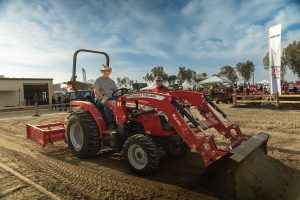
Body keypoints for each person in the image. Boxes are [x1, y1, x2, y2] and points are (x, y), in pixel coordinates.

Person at [93, 65, 118, 129]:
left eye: (107, 71)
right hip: (100, 98)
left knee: (121, 104)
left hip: (111, 98)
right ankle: (111, 123)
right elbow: (96, 92)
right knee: (107, 103)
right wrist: (104, 98)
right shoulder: (98, 80)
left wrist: (119, 97)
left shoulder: (112, 81)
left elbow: (116, 91)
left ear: (109, 72)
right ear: (102, 72)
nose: (105, 72)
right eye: (104, 71)